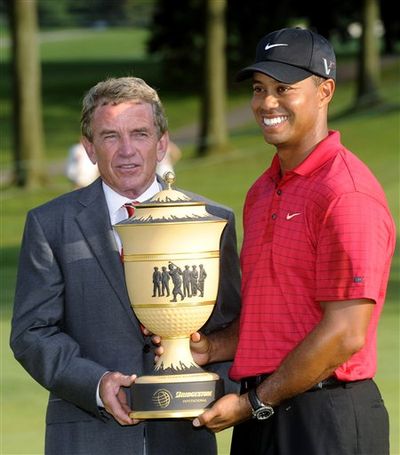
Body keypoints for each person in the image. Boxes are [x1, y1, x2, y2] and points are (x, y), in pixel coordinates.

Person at [185, 28, 396, 454]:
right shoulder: (262, 192)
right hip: (266, 412)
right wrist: (214, 347)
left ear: (325, 91)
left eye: (284, 89)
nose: (267, 103)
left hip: (327, 417)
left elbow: (344, 334)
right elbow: (277, 313)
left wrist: (254, 403)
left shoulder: (345, 193)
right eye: (260, 89)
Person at [10, 76, 241, 455]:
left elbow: (233, 326)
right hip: (88, 436)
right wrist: (96, 384)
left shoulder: (213, 220)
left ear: (162, 143)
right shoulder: (50, 224)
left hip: (186, 437)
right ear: (89, 148)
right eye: (110, 136)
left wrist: (218, 389)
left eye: (140, 133)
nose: (127, 150)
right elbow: (32, 332)